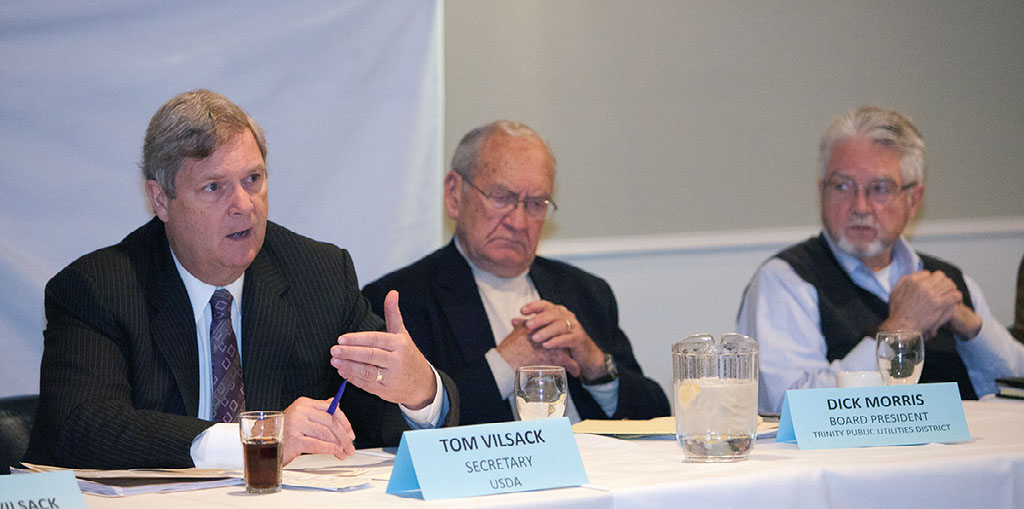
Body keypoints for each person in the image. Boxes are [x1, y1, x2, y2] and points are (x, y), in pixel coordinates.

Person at [25, 89, 458, 469]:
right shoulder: (99, 289)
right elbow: (82, 426)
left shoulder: (319, 275)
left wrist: (419, 392)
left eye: (253, 179)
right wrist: (258, 439)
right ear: (160, 199)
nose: (244, 205)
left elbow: (374, 417)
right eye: (214, 187)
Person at [362, 120, 669, 425]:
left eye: (536, 203)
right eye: (502, 198)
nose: (519, 222)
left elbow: (656, 416)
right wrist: (504, 365)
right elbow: (388, 428)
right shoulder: (402, 301)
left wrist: (596, 366)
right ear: (454, 195)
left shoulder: (585, 292)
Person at [737, 106, 1024, 415]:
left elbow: (1012, 388)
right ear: (821, 192)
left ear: (913, 201)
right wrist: (900, 328)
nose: (860, 206)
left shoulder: (949, 281)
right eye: (842, 186)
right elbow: (788, 408)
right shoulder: (785, 280)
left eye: (880, 189)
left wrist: (973, 329)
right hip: (850, 463)